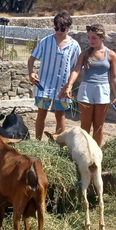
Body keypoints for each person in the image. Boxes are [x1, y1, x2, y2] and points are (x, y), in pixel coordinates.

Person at [60, 24, 116, 146]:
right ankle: (84, 152)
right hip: (86, 88)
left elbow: (114, 77)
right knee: (85, 125)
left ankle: (96, 153)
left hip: (102, 90)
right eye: (89, 37)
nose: (90, 40)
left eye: (94, 38)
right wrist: (69, 85)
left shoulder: (111, 54)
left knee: (98, 126)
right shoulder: (85, 54)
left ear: (102, 37)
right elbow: (76, 70)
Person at [28, 12, 82, 140]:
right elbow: (31, 59)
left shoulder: (74, 46)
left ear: (68, 28)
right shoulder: (45, 41)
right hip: (43, 85)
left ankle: (58, 144)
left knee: (60, 115)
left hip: (62, 86)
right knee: (41, 113)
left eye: (62, 29)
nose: (59, 31)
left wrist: (69, 85)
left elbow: (77, 68)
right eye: (56, 28)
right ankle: (37, 142)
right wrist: (31, 72)